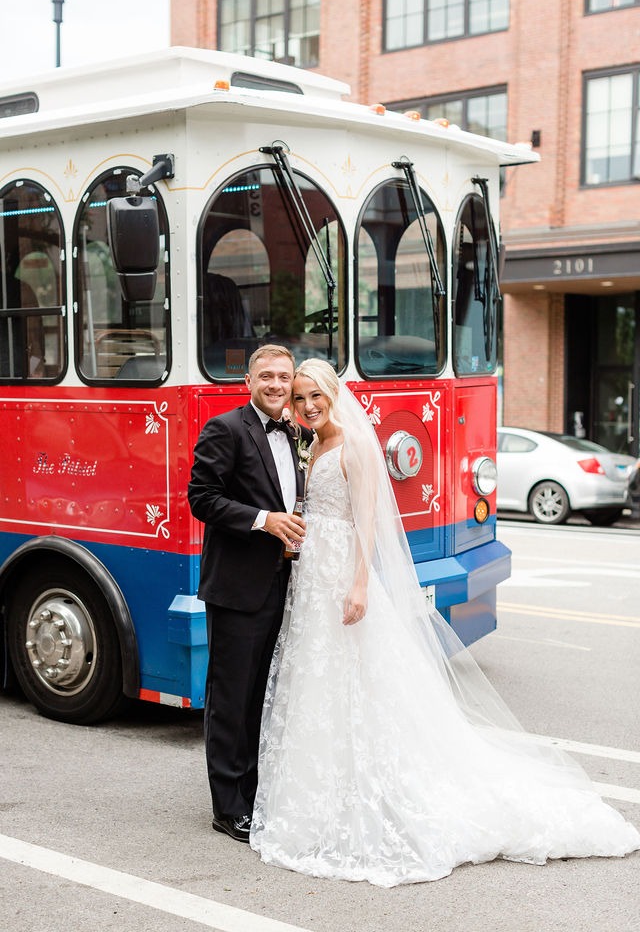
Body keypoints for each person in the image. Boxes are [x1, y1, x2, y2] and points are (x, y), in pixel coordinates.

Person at [250, 358, 640, 887]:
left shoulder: (356, 448)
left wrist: (361, 583)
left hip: (341, 577)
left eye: (315, 395)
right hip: (312, 578)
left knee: (357, 682)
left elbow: (365, 520)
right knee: (322, 684)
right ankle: (327, 787)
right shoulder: (313, 445)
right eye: (299, 399)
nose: (307, 405)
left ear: (334, 394)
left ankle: (377, 789)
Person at [188, 344, 312, 843]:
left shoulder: (299, 431)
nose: (276, 384)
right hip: (238, 588)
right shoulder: (225, 429)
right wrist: (264, 520)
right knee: (232, 699)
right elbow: (202, 498)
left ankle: (256, 794)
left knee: (266, 696)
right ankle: (228, 807)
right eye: (267, 376)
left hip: (285, 584)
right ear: (248, 380)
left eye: (284, 376)